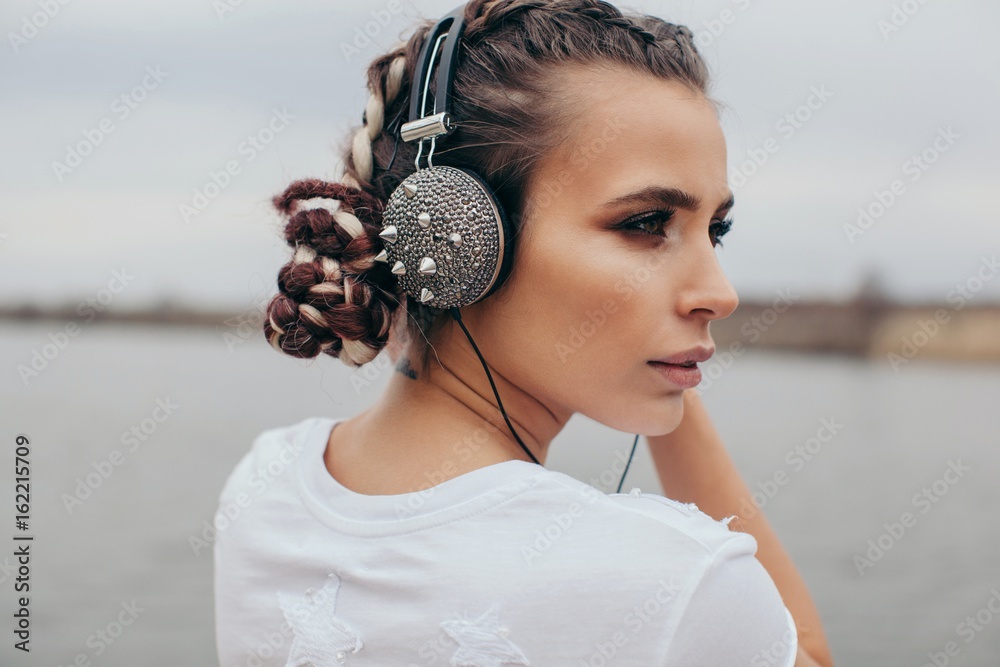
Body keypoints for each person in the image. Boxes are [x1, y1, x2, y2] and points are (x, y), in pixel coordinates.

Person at [213, 1, 833, 665]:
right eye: (647, 222)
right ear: (454, 236)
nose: (720, 293)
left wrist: (665, 353)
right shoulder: (675, 584)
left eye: (716, 231)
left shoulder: (263, 486)